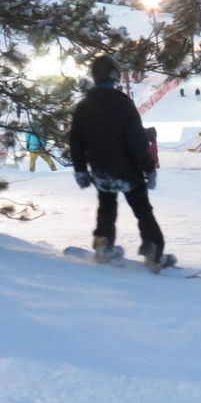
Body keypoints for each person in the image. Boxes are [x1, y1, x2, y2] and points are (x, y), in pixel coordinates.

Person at [69, 54, 166, 267]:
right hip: (128, 171)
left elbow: (76, 140)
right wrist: (148, 168)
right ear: (114, 76)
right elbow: (137, 141)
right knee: (142, 210)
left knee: (106, 207)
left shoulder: (84, 106)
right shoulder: (123, 104)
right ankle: (153, 249)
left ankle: (104, 244)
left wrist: (80, 169)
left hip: (102, 170)